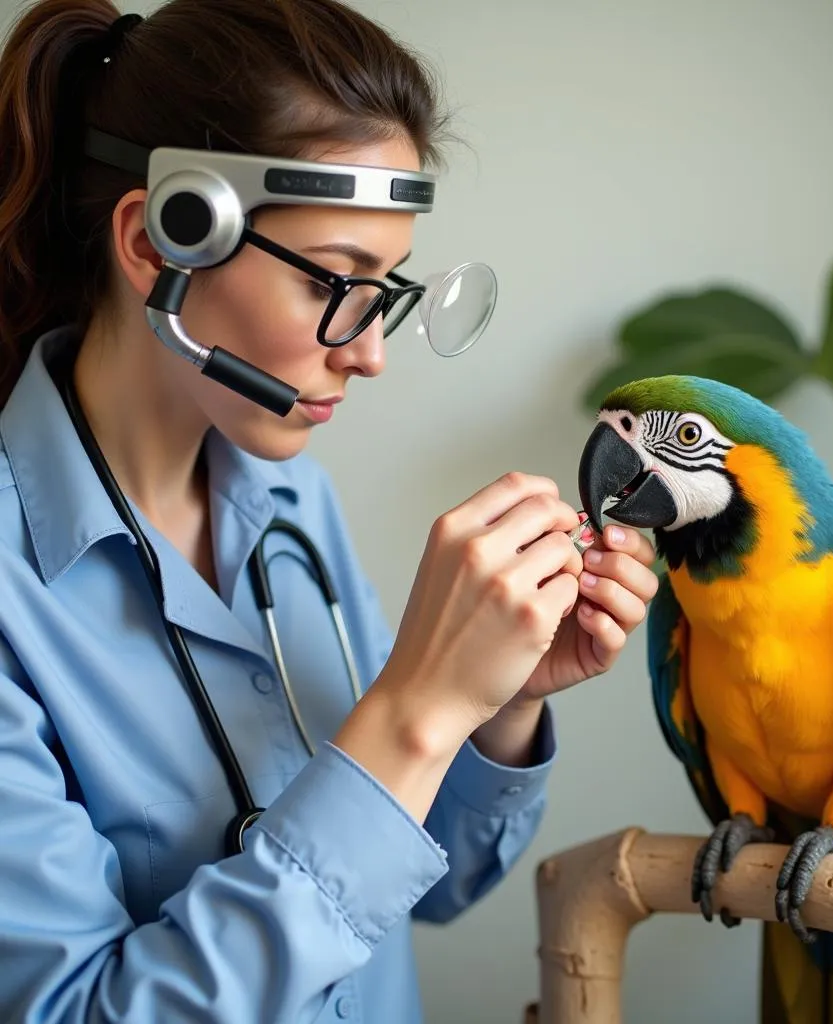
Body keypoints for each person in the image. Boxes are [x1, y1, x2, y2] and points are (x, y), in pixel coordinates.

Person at [0, 1, 659, 1021]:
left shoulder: (291, 498)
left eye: (383, 288)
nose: (368, 350)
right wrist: (415, 710)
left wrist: (498, 706)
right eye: (334, 282)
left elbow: (414, 888)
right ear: (157, 241)